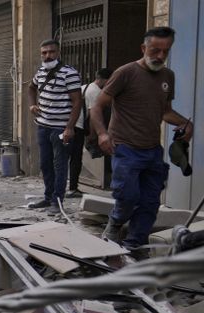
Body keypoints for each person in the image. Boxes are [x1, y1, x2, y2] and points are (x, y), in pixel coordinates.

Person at [91, 26, 193, 256]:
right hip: (125, 148)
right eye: (155, 50)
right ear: (143, 48)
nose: (160, 56)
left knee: (149, 203)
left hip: (152, 151)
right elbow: (97, 106)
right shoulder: (125, 73)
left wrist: (187, 124)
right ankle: (116, 223)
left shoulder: (168, 76)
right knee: (127, 197)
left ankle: (134, 246)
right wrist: (102, 134)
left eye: (165, 52)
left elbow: (165, 111)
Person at [27, 39, 82, 215]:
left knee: (60, 165)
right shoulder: (41, 71)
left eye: (51, 52)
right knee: (45, 164)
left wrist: (70, 128)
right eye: (44, 53)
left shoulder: (69, 73)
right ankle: (48, 196)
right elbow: (31, 87)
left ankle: (57, 201)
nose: (47, 55)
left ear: (58, 53)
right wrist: (32, 105)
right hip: (43, 126)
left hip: (61, 128)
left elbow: (77, 102)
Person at [67, 67, 112, 197]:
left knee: (67, 157)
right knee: (76, 158)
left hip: (70, 124)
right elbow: (94, 116)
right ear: (104, 80)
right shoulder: (95, 92)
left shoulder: (85, 87)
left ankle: (69, 187)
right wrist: (93, 135)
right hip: (77, 126)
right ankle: (72, 188)